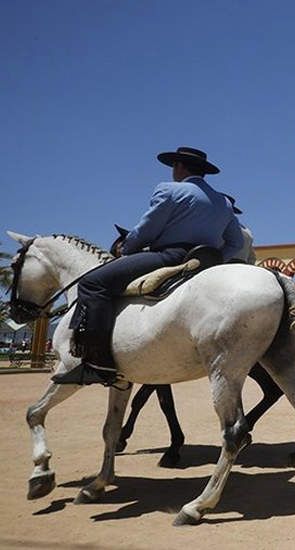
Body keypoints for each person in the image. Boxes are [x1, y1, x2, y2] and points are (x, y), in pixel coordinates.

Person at [53, 147, 244, 386]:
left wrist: (128, 249)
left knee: (92, 283)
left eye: (174, 166)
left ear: (179, 167)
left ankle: (98, 362)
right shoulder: (223, 202)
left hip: (168, 256)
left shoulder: (170, 189)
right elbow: (235, 242)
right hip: (204, 261)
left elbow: (148, 228)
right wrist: (213, 261)